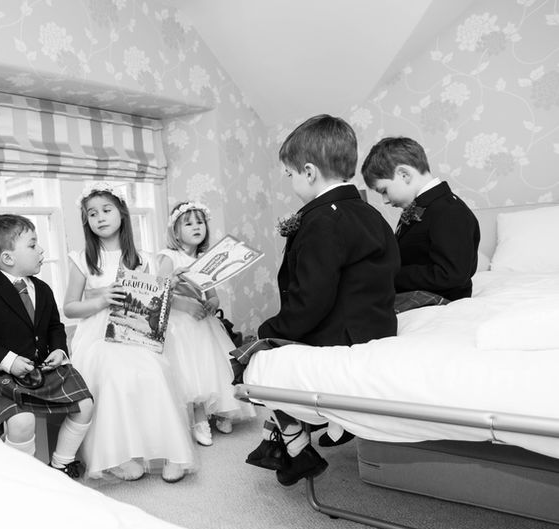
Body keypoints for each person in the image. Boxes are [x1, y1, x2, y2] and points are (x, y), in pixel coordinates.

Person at [245, 114, 400, 487]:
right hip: (374, 325)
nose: (290, 182)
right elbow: (390, 271)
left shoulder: (321, 220)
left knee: (252, 359)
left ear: (309, 172)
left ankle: (296, 444)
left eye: (290, 175)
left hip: (340, 333)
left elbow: (312, 299)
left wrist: (268, 331)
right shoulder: (369, 213)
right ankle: (294, 442)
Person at [63, 183, 196, 483]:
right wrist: (100, 299)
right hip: (97, 335)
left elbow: (154, 306)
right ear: (86, 221)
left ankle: (170, 451)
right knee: (113, 376)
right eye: (92, 214)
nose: (100, 218)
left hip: (135, 331)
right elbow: (69, 308)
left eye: (106, 210)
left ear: (122, 213)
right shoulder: (81, 259)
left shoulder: (146, 258)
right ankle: (117, 457)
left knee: (153, 373)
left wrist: (166, 289)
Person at [0, 214, 93, 479]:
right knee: (22, 422)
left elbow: (55, 326)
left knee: (85, 404)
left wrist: (59, 350)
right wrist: (9, 361)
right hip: (5, 374)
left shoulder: (43, 289)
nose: (41, 250)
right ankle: (23, 478)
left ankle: (61, 465)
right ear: (8, 258)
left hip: (44, 369)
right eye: (33, 245)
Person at [156, 201, 255, 447]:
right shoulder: (169, 257)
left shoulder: (205, 258)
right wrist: (184, 303)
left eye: (199, 222)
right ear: (175, 231)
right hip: (180, 322)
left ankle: (221, 411)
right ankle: (199, 417)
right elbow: (158, 290)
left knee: (214, 365)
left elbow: (211, 292)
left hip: (204, 322)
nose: (196, 227)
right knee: (192, 370)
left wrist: (212, 300)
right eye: (188, 223)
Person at [361, 136, 480, 303]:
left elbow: (451, 274)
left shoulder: (450, 211)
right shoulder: (422, 208)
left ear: (404, 175)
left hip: (441, 300)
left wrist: (392, 276)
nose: (385, 200)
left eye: (384, 191)